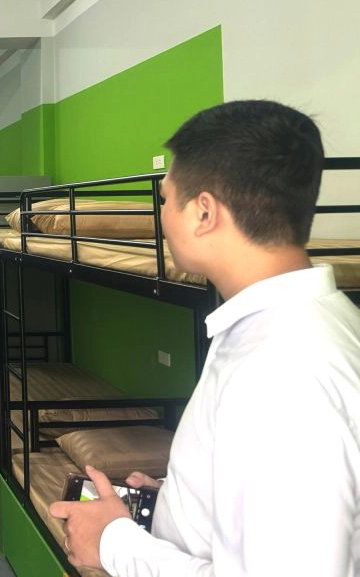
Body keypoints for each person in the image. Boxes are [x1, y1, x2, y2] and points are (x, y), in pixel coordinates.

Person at [49, 100, 360, 576]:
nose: (162, 214)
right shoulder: (295, 327)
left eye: (165, 199)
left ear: (204, 212)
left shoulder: (283, 373)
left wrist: (112, 543)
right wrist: (179, 505)